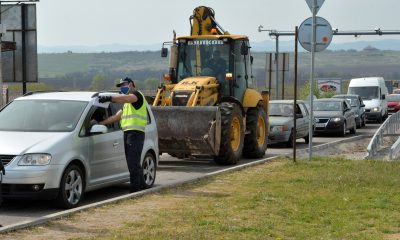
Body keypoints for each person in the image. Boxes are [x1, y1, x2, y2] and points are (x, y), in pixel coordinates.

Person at [98, 77, 147, 193]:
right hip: (128, 133)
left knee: (133, 163)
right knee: (133, 163)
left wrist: (110, 98)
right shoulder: (127, 105)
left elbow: (127, 98)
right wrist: (100, 123)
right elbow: (115, 117)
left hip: (135, 133)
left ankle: (135, 190)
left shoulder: (136, 95)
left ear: (131, 84)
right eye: (121, 86)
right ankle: (141, 188)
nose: (122, 88)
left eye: (124, 85)